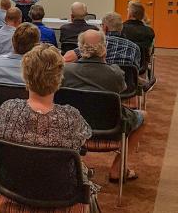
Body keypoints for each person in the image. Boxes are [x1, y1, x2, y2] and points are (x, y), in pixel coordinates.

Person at [0, 44, 101, 212]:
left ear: (25, 76)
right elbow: (82, 142)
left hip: (13, 187)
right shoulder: (72, 117)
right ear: (59, 77)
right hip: (61, 194)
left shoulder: (7, 109)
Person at [62, 30, 145, 182]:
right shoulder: (114, 73)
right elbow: (122, 91)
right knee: (143, 117)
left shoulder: (65, 71)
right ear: (104, 48)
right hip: (110, 127)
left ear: (80, 48)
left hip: (74, 128)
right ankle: (117, 169)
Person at [64, 12, 141, 68]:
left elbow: (66, 59)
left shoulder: (96, 43)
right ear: (121, 28)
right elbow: (136, 72)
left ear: (105, 28)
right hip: (126, 88)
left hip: (97, 87)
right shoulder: (135, 48)